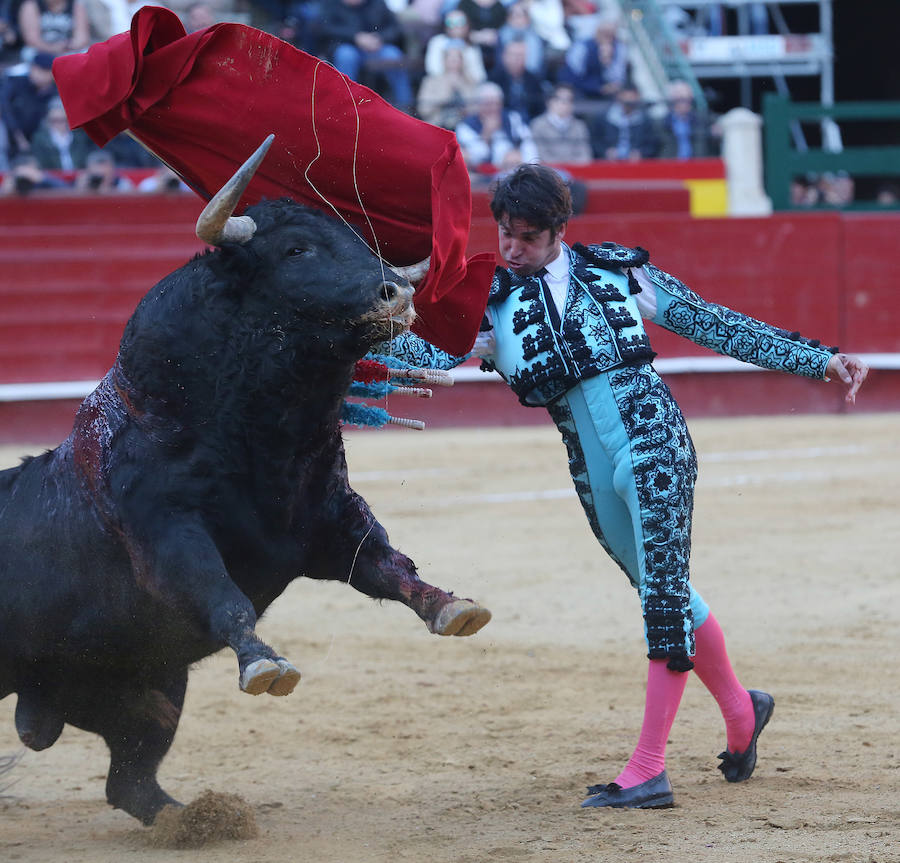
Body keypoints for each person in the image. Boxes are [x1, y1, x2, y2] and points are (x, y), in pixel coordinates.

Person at [381, 163, 868, 809]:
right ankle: (742, 709)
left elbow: (712, 322)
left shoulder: (619, 272)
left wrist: (818, 358)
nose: (513, 247)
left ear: (559, 231)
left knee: (662, 598)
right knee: (662, 588)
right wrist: (358, 331)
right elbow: (422, 356)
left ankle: (648, 770)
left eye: (528, 236)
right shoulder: (492, 302)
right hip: (588, 465)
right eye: (506, 233)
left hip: (654, 440)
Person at [319, 0, 414, 112]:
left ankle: (405, 106)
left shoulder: (377, 4)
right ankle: (345, 106)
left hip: (377, 47)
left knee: (393, 55)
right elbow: (325, 29)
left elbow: (395, 28)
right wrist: (355, 37)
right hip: (347, 46)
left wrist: (379, 38)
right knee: (346, 56)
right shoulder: (331, 5)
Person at [454, 79, 538, 178]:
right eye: (488, 104)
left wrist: (521, 158)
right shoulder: (465, 126)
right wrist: (487, 133)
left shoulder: (512, 118)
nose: (493, 108)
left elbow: (528, 143)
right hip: (483, 176)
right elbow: (474, 158)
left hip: (516, 169)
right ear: (479, 105)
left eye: (496, 103)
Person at [0, 50, 58, 159]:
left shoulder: (55, 93)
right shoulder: (17, 83)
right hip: (12, 136)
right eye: (33, 68)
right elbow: (4, 108)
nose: (34, 73)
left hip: (41, 142)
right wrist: (18, 137)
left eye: (41, 70)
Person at [557, 17, 628, 103]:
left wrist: (607, 62)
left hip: (605, 90)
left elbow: (617, 78)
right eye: (604, 33)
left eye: (610, 34)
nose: (607, 37)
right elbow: (574, 73)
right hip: (579, 86)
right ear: (597, 32)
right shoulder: (582, 46)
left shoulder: (619, 49)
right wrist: (597, 87)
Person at [591, 80, 658, 161]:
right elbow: (594, 142)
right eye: (626, 103)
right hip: (609, 165)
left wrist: (641, 153)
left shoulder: (645, 120)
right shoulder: (603, 118)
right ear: (619, 97)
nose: (628, 107)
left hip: (637, 165)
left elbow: (652, 144)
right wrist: (605, 152)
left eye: (631, 103)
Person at [416, 42, 478, 129]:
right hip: (438, 127)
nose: (454, 60)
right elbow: (423, 110)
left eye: (458, 57)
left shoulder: (470, 81)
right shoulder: (430, 82)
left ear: (463, 61)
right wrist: (446, 91)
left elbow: (476, 110)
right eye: (450, 56)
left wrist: (461, 87)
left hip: (465, 128)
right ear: (444, 60)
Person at [529, 81, 592, 164]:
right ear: (550, 102)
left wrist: (571, 167)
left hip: (576, 173)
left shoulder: (579, 126)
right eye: (562, 99)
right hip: (548, 173)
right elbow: (540, 154)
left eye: (570, 100)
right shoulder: (538, 125)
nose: (566, 104)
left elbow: (585, 154)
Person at [657, 79, 720, 160]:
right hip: (670, 167)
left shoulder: (703, 120)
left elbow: (718, 125)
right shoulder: (660, 123)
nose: (685, 104)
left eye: (688, 99)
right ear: (672, 100)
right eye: (681, 100)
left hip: (697, 166)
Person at [29, 95, 96, 170]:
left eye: (63, 120)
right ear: (48, 121)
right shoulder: (40, 139)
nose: (59, 125)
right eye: (55, 121)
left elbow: (85, 159)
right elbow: (41, 163)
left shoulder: (79, 137)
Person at [423, 7, 487, 83]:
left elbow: (479, 76)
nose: (455, 26)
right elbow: (433, 69)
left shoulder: (472, 46)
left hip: (467, 85)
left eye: (460, 22)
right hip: (441, 84)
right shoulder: (437, 42)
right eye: (450, 22)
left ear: (467, 25)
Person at [489, 37, 546, 122]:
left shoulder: (533, 80)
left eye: (521, 55)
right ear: (504, 56)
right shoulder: (494, 79)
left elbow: (539, 108)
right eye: (514, 54)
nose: (517, 59)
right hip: (502, 123)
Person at [16, 0, 90, 58]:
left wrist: (68, 46)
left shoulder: (76, 5)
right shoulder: (32, 5)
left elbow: (82, 38)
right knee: (30, 53)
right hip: (41, 50)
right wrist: (53, 48)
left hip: (68, 49)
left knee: (85, 53)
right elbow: (32, 39)